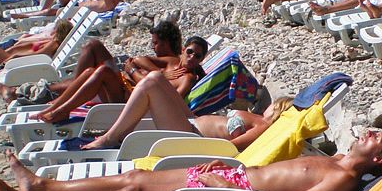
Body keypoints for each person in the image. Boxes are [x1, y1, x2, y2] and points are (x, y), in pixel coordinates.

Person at [0, 129, 382, 191]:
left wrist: (226, 187)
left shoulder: (342, 179)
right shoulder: (331, 159)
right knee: (134, 179)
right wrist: (230, 170)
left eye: (378, 137)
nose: (369, 132)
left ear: (379, 160)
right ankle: (42, 185)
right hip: (231, 178)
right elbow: (272, 174)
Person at [81, 70, 294, 150]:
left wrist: (205, 153)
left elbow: (232, 146)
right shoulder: (257, 118)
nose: (269, 105)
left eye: (274, 103)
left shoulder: (263, 125)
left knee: (150, 85)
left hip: (190, 135)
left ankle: (110, 138)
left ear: (277, 109)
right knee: (156, 77)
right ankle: (118, 132)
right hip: (191, 121)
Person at [0, 21, 184, 104]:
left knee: (92, 51)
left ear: (167, 43)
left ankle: (20, 92)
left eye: (156, 43)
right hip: (124, 85)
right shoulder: (169, 64)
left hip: (125, 92)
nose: (153, 47)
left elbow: (138, 60)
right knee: (91, 49)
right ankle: (27, 91)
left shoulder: (172, 60)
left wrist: (136, 69)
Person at [30, 36, 208, 124]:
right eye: (190, 52)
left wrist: (141, 75)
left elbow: (170, 102)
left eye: (197, 56)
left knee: (102, 71)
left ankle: (60, 109)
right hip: (125, 85)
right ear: (183, 49)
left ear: (201, 60)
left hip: (131, 100)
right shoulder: (172, 61)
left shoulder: (187, 78)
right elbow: (138, 59)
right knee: (90, 69)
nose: (192, 57)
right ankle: (55, 108)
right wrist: (157, 73)